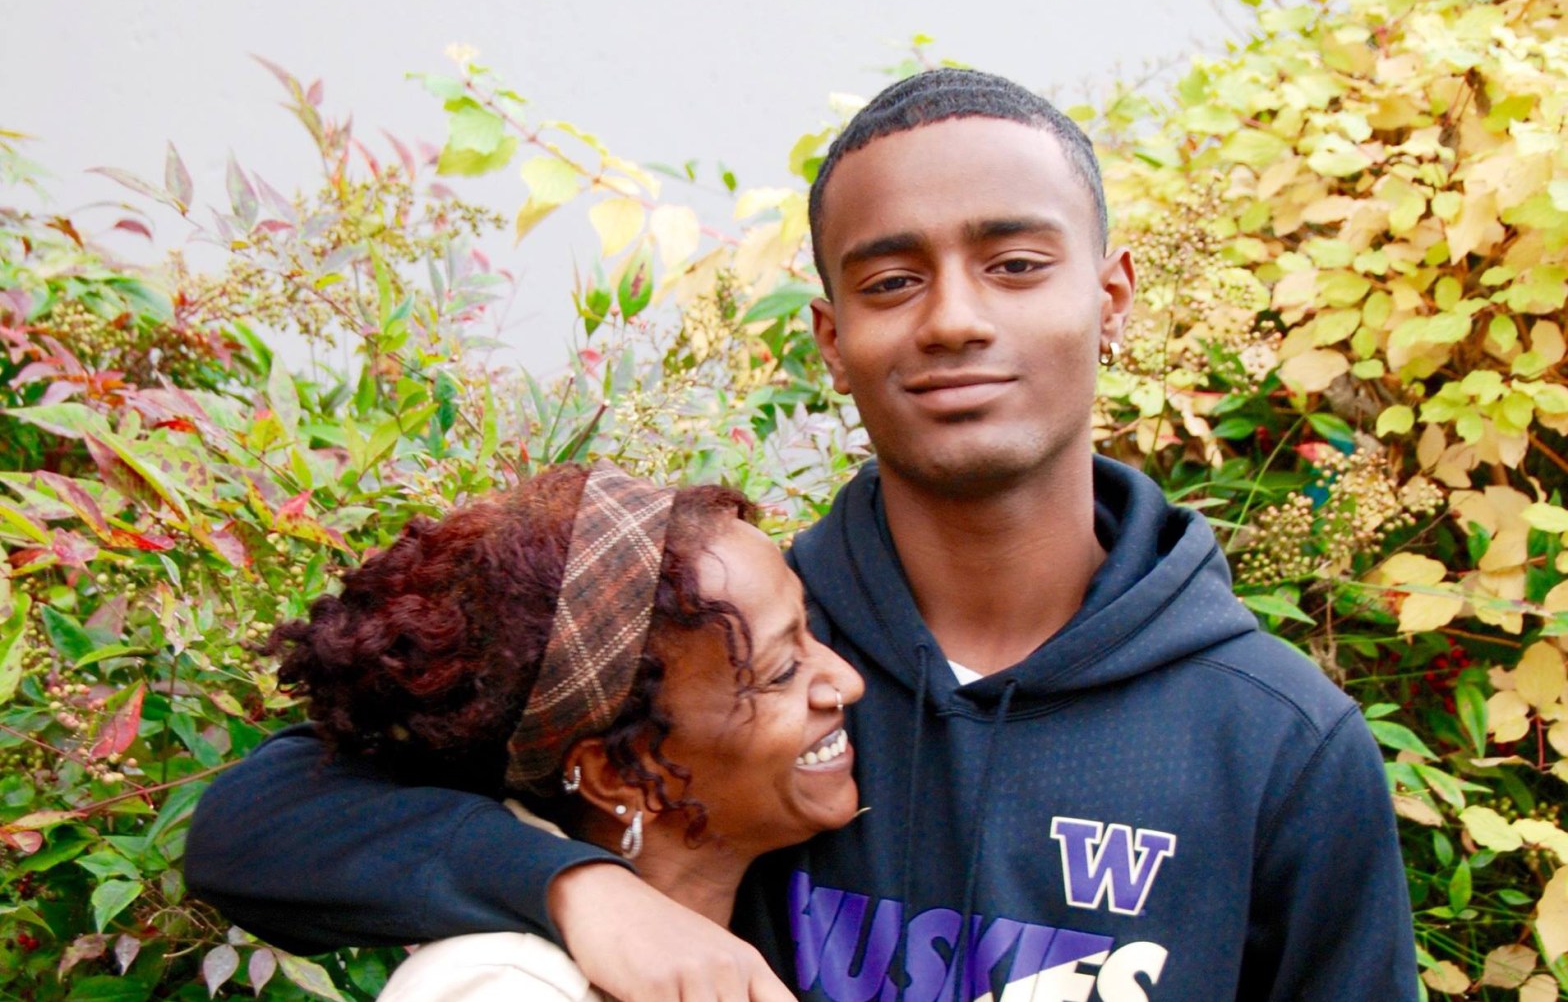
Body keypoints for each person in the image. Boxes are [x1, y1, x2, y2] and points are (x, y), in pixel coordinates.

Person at [187, 68, 1418, 1001]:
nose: (950, 320)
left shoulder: (1273, 743)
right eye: (889, 282)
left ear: (1109, 296)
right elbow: (257, 821)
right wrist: (581, 888)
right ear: (830, 342)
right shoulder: (717, 651)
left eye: (1014, 263)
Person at [237, 460, 864, 1000]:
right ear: (618, 775)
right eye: (782, 671)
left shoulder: (757, 916)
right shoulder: (506, 987)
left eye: (811, 633)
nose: (847, 681)